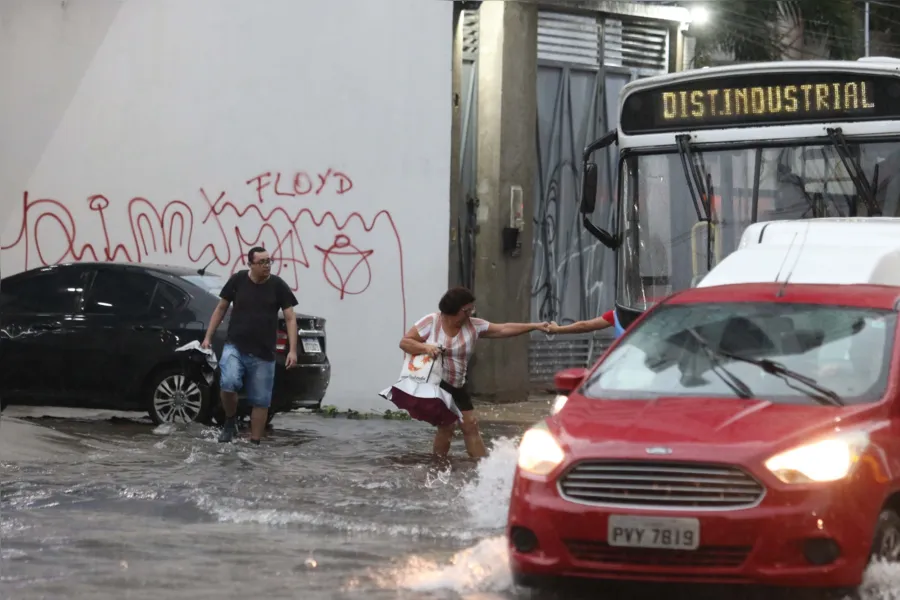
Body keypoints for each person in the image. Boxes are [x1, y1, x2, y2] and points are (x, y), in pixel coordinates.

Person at [392, 286, 550, 459]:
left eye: (471, 310)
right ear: (454, 310)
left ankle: (481, 467)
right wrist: (425, 347)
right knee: (447, 426)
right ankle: (438, 465)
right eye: (467, 310)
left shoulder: (474, 326)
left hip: (457, 383)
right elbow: (405, 342)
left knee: (470, 424)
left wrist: (535, 326)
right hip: (437, 381)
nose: (470, 314)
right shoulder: (432, 321)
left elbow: (503, 329)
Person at [201, 246, 299, 445]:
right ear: (250, 265)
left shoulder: (278, 285)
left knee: (261, 400)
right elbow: (221, 308)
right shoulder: (238, 280)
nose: (267, 266)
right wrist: (208, 337)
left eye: (269, 261)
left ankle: (254, 443)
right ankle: (230, 421)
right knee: (228, 383)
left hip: (264, 352)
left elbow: (290, 318)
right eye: (261, 262)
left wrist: (293, 350)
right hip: (235, 345)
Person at [548, 309, 618, 336]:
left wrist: (557, 329)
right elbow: (583, 326)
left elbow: (584, 326)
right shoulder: (618, 314)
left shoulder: (619, 315)